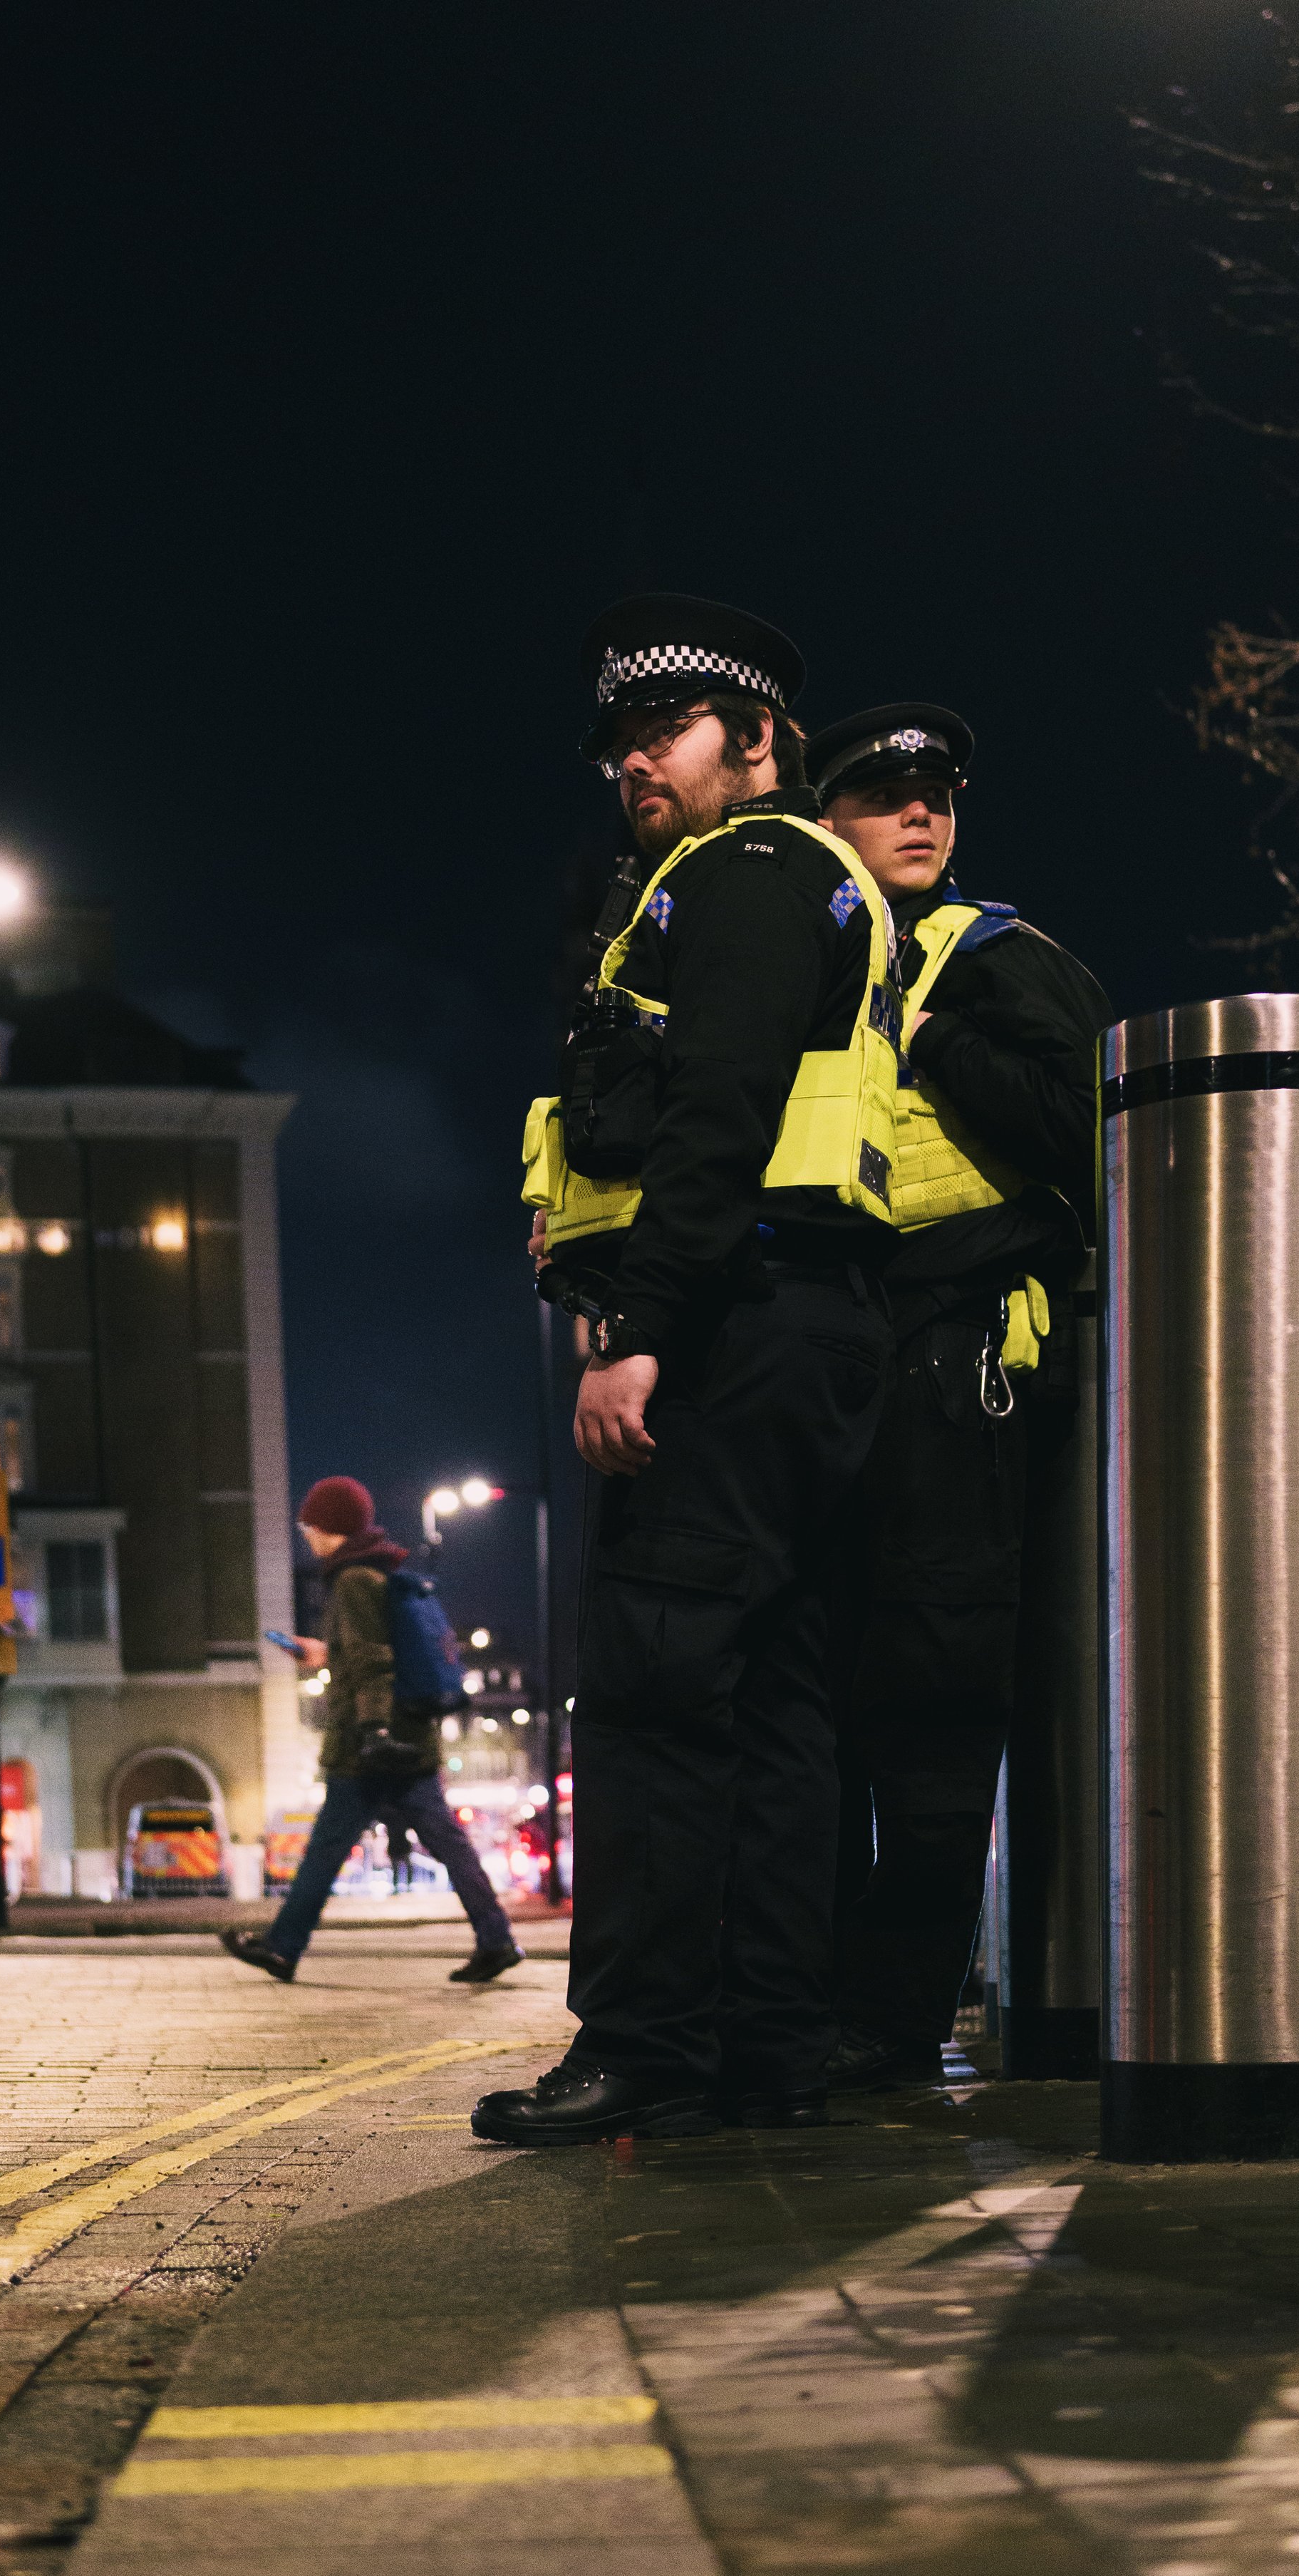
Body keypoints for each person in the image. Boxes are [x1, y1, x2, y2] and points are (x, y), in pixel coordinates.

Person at [475, 595, 897, 2148]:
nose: (633, 763)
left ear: (758, 739)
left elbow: (715, 1116)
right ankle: (764, 2047)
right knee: (776, 1702)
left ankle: (645, 2044)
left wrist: (637, 1329)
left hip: (727, 1329)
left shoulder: (737, 876)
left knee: (654, 1694)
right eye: (618, 744)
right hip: (803, 1331)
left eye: (664, 731)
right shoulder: (800, 885)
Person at [807, 705, 1111, 2089]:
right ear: (829, 819)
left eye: (935, 792)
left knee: (932, 1698)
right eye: (881, 793)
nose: (918, 812)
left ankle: (887, 2022)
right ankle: (821, 2007)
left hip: (960, 1372)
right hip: (840, 1375)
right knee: (828, 1702)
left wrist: (935, 1042)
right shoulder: (815, 963)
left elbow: (1081, 1139)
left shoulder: (1001, 963)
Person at [222, 1476, 524, 1984]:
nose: (308, 1535)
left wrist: (374, 1729)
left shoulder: (353, 1581)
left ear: (331, 1527)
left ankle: (283, 1946)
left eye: (312, 1526)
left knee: (325, 1850)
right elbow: (367, 1652)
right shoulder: (377, 1576)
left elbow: (373, 1662)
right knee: (448, 1843)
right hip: (409, 1739)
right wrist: (323, 1653)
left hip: (369, 1747)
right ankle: (496, 1938)